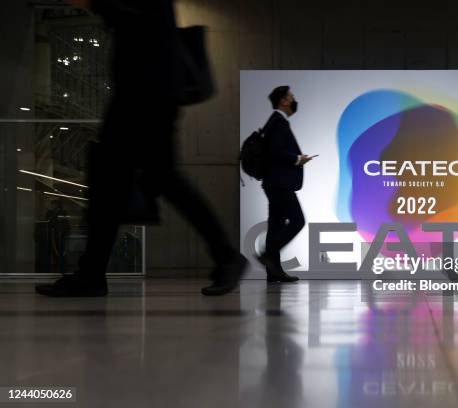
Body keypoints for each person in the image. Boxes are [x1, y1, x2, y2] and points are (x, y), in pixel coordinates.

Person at [36, 0, 246, 297]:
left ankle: (225, 256)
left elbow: (126, 14)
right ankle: (91, 273)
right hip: (142, 88)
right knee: (115, 180)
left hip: (147, 90)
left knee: (156, 177)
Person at [257, 86, 315, 282]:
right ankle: (269, 254)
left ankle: (274, 273)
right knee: (297, 220)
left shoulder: (274, 122)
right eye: (291, 97)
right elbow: (276, 153)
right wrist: (298, 159)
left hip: (273, 182)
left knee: (276, 224)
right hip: (280, 183)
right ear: (283, 101)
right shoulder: (279, 122)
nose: (293, 100)